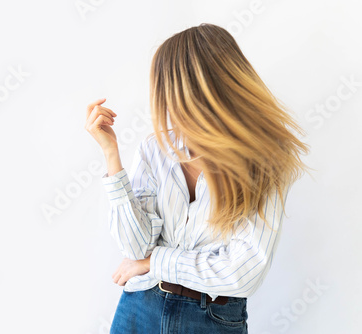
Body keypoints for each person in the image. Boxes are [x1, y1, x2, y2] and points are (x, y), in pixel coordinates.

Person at [85, 23, 310, 334]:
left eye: (169, 91)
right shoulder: (155, 149)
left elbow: (244, 273)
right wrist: (112, 156)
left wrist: (156, 262)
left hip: (211, 320)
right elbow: (136, 248)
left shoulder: (263, 161)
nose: (165, 104)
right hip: (140, 308)